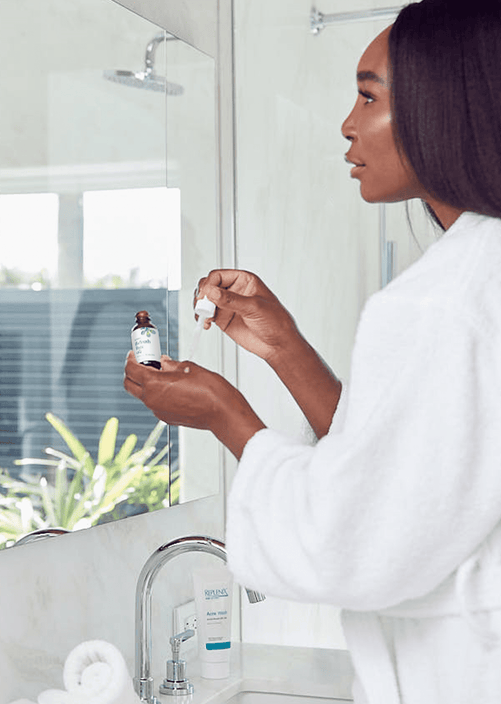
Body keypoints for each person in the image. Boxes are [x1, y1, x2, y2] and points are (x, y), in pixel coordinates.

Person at [124, 2, 501, 702]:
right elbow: (406, 476)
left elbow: (347, 541)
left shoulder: (438, 301)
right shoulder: (482, 276)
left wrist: (225, 414)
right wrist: (285, 347)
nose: (347, 124)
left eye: (367, 96)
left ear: (441, 107)